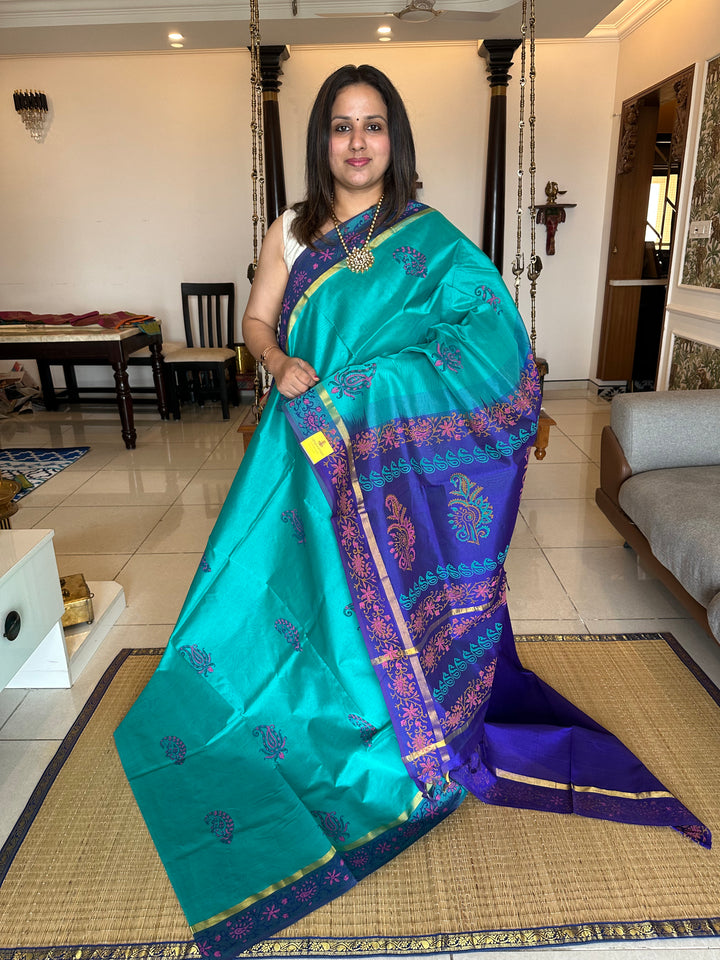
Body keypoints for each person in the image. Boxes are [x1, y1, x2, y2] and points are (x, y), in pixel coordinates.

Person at [115, 64, 709, 958]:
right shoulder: (292, 230)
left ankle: (398, 724)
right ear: (321, 140)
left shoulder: (427, 237)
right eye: (342, 126)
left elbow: (486, 334)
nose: (358, 142)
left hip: (391, 463)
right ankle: (297, 707)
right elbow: (258, 323)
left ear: (396, 139)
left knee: (379, 596)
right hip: (306, 449)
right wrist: (278, 365)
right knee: (294, 594)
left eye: (375, 125)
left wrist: (379, 384)